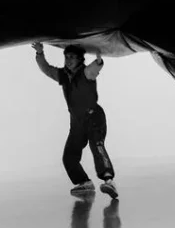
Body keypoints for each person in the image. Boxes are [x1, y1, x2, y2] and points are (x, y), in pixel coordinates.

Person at [32, 42, 118, 199]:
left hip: (94, 118)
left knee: (97, 146)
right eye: (66, 57)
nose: (68, 60)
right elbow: (46, 69)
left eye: (72, 57)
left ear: (80, 59)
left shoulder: (86, 72)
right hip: (77, 121)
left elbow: (95, 68)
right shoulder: (63, 75)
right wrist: (39, 53)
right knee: (69, 156)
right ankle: (84, 182)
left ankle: (109, 181)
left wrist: (99, 60)